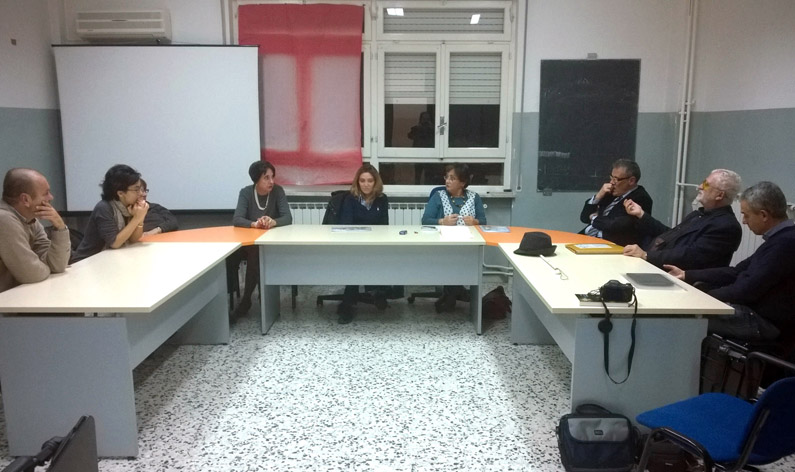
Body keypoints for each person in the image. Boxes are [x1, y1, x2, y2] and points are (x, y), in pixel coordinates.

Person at [665, 182, 795, 342]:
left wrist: (705, 297)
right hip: (755, 311)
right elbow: (736, 272)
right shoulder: (781, 238)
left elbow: (746, 290)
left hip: (765, 322)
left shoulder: (785, 243)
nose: (744, 221)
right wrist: (687, 274)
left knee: (682, 314)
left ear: (763, 215)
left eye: (746, 215)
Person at [622, 169, 742, 269]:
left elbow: (691, 256)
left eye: (706, 184)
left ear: (719, 195)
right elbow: (670, 235)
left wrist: (646, 255)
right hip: (657, 264)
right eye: (703, 182)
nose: (700, 187)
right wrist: (641, 214)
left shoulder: (726, 226)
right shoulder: (699, 214)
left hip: (679, 277)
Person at [421, 163, 486, 312]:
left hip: (468, 246)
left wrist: (475, 222)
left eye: (452, 178)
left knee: (467, 263)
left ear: (462, 182)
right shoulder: (438, 196)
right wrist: (442, 221)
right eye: (446, 177)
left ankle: (455, 293)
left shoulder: (474, 197)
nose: (447, 181)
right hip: (443, 245)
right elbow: (425, 220)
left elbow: (483, 221)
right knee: (451, 260)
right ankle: (452, 293)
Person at [231, 160, 292, 316]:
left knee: (256, 252)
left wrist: (273, 222)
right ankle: (247, 297)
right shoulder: (246, 192)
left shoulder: (278, 191)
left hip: (271, 243)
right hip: (248, 243)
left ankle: (246, 300)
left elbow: (288, 217)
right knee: (243, 254)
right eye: (266, 178)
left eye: (272, 177)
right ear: (256, 179)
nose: (271, 181)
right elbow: (237, 219)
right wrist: (254, 224)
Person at [0, 168, 71, 293]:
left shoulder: (30, 218)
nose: (51, 197)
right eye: (46, 193)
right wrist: (46, 267)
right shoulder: (4, 219)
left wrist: (60, 227)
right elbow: (31, 275)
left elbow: (57, 265)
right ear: (25, 199)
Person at [336, 164, 390, 324]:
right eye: (362, 181)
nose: (366, 184)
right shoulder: (350, 198)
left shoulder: (382, 199)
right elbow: (346, 225)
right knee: (356, 263)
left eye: (370, 181)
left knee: (386, 258)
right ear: (357, 182)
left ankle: (377, 292)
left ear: (375, 182)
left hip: (375, 245)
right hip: (353, 245)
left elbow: (384, 226)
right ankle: (347, 305)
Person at [71, 164, 149, 263]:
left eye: (141, 189)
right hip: (87, 261)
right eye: (136, 190)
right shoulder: (104, 208)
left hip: (111, 259)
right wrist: (137, 218)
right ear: (120, 193)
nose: (141, 193)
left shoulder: (129, 206)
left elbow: (133, 240)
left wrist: (140, 219)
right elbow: (115, 243)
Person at [579, 159, 652, 246]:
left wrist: (593, 217)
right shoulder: (611, 193)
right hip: (588, 237)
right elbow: (584, 218)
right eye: (611, 178)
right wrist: (598, 196)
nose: (611, 182)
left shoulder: (641, 198)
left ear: (631, 181)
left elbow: (615, 225)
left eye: (616, 179)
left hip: (612, 244)